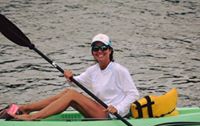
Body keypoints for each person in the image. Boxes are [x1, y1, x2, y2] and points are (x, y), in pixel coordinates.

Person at [11, 33, 139, 120]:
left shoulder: (119, 70)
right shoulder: (92, 70)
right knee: (69, 91)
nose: (99, 51)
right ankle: (25, 108)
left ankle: (33, 118)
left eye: (103, 48)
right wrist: (69, 76)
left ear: (110, 50)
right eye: (95, 48)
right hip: (99, 109)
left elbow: (133, 94)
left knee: (72, 95)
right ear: (92, 52)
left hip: (112, 116)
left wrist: (118, 109)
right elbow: (75, 82)